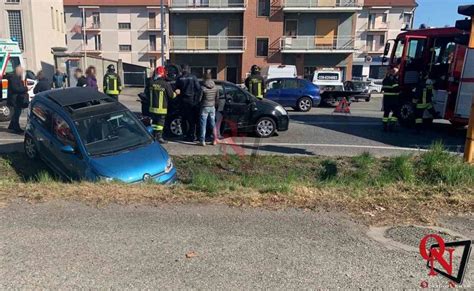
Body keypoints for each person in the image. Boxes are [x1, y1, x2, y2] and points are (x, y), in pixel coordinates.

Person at [145, 66, 175, 144]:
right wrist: (177, 93)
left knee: (154, 123)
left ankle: (153, 136)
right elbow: (171, 95)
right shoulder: (165, 84)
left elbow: (146, 94)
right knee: (160, 124)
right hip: (161, 109)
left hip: (152, 108)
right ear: (163, 74)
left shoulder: (151, 83)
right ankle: (159, 137)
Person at [175, 64, 201, 142]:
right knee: (192, 120)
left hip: (182, 101)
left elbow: (176, 90)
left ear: (182, 69)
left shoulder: (179, 78)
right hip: (191, 101)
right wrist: (196, 101)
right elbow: (198, 89)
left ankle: (185, 135)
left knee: (183, 120)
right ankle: (192, 135)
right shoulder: (193, 77)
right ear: (188, 69)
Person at [198, 73, 219, 146]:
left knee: (203, 124)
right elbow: (217, 98)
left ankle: (202, 141)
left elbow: (199, 99)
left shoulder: (202, 88)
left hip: (204, 107)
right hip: (212, 107)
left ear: (204, 79)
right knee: (213, 124)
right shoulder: (216, 87)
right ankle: (215, 140)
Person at [7, 66, 28, 134]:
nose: (22, 73)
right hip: (15, 99)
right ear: (18, 71)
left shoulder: (16, 78)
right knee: (17, 113)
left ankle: (12, 126)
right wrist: (25, 89)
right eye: (21, 71)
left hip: (16, 98)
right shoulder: (14, 78)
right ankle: (16, 128)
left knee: (16, 113)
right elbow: (16, 88)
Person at [381, 66, 400, 132]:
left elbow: (384, 87)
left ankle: (385, 125)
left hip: (386, 99)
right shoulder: (393, 79)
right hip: (393, 99)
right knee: (396, 112)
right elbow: (396, 88)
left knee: (386, 113)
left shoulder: (385, 79)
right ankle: (392, 124)